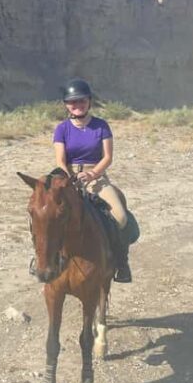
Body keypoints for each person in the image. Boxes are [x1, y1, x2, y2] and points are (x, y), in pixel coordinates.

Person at [53, 78, 132, 283]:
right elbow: (60, 160)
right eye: (72, 102)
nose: (77, 105)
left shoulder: (101, 126)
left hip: (95, 177)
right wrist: (68, 178)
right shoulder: (62, 129)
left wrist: (92, 174)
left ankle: (121, 262)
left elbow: (107, 157)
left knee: (121, 217)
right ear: (66, 105)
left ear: (89, 102)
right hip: (68, 177)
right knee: (47, 217)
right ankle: (46, 262)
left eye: (81, 101)